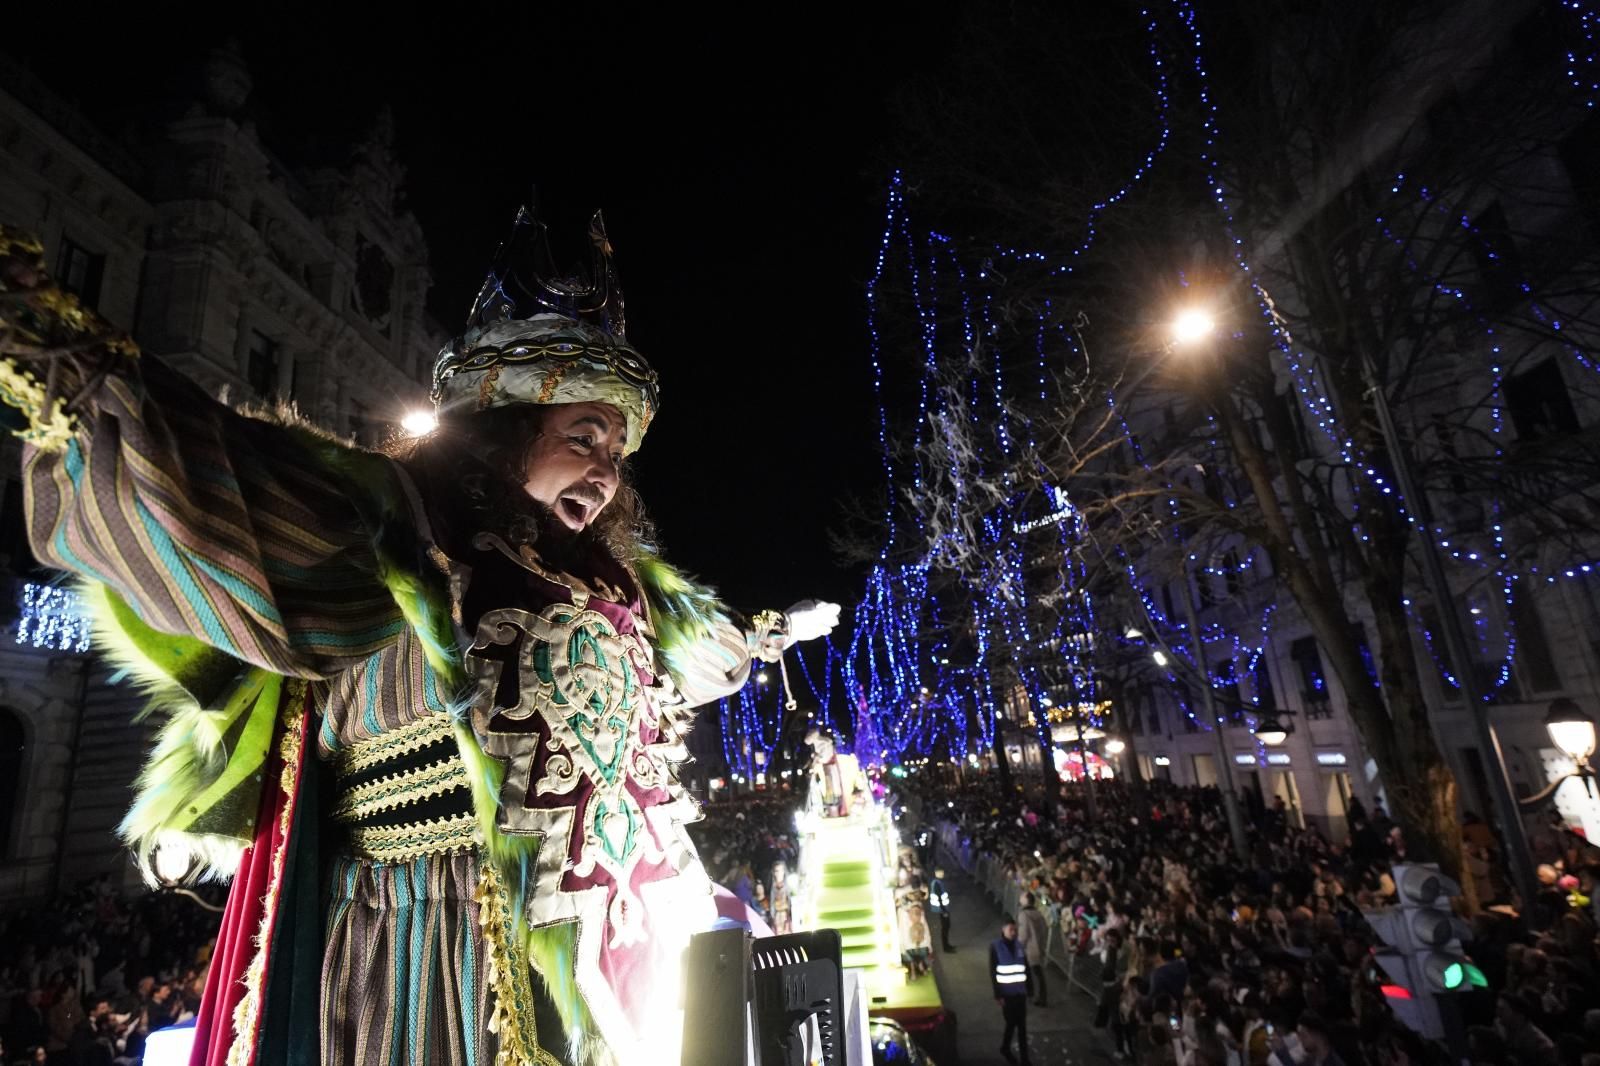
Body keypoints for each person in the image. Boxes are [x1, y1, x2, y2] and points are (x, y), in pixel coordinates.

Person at [0, 212, 840, 1066]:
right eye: (584, 438)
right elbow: (231, 505)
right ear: (503, 430)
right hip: (443, 942)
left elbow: (705, 649)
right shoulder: (408, 525)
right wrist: (70, 364)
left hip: (637, 937)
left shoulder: (617, 582)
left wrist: (769, 634)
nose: (605, 469)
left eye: (616, 451)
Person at [991, 915, 1032, 1065]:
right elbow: (993, 971)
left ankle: (1024, 1059)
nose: (1014, 932)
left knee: (1021, 1025)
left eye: (1015, 929)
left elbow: (1026, 968)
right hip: (1006, 994)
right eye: (1011, 929)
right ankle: (1006, 1048)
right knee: (1011, 1023)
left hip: (1020, 993)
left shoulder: (1019, 946)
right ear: (1003, 930)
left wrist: (1030, 988)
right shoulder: (995, 946)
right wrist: (998, 994)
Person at [1016, 890, 1050, 1007]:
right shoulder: (1039, 914)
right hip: (1038, 947)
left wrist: (1018, 946)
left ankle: (1034, 995)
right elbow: (1045, 929)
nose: (1020, 898)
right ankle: (1039, 995)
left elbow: (1023, 934)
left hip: (1028, 949)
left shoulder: (1023, 915)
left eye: (1022, 896)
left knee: (1032, 973)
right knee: (1037, 973)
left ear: (1026, 899)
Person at [928, 867, 954, 951]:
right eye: (940, 872)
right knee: (945, 927)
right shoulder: (937, 883)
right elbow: (939, 898)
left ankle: (947, 945)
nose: (942, 874)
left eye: (942, 872)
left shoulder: (937, 882)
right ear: (936, 873)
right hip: (942, 909)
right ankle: (946, 947)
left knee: (946, 927)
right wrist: (944, 911)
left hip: (942, 908)